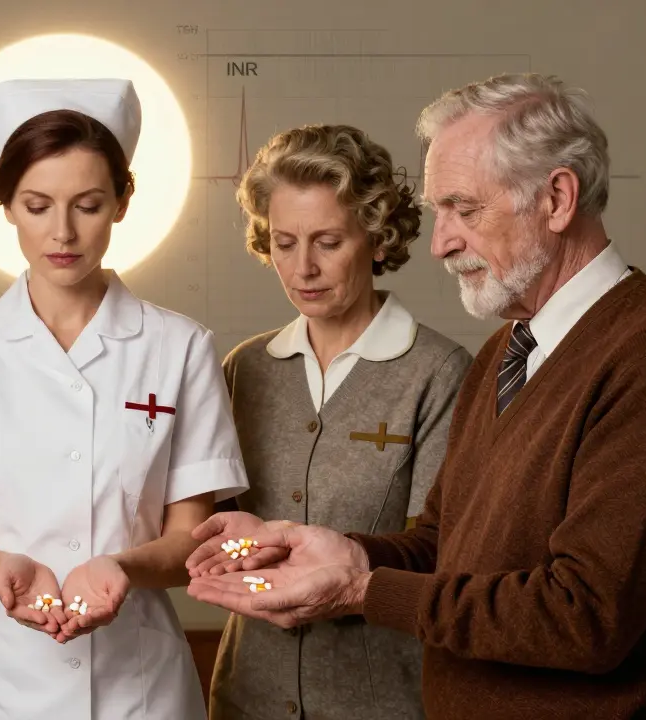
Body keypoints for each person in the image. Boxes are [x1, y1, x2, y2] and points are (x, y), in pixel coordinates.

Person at [186, 73, 646, 719]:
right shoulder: (509, 351)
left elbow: (584, 615)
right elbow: (446, 542)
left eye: (464, 209)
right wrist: (350, 552)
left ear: (557, 199)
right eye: (438, 210)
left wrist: (363, 591)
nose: (440, 241)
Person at [0, 77, 249, 719]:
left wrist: (123, 568)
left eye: (88, 204)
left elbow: (190, 537)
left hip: (138, 684)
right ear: (7, 206)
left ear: (122, 202)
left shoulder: (181, 347)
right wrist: (0, 565)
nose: (64, 232)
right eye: (37, 204)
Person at [189, 124, 471, 720]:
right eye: (285, 243)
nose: (304, 268)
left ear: (376, 236)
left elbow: (444, 551)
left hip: (383, 700)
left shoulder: (438, 371)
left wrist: (340, 573)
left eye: (328, 241)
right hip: (247, 698)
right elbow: (220, 527)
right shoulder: (246, 368)